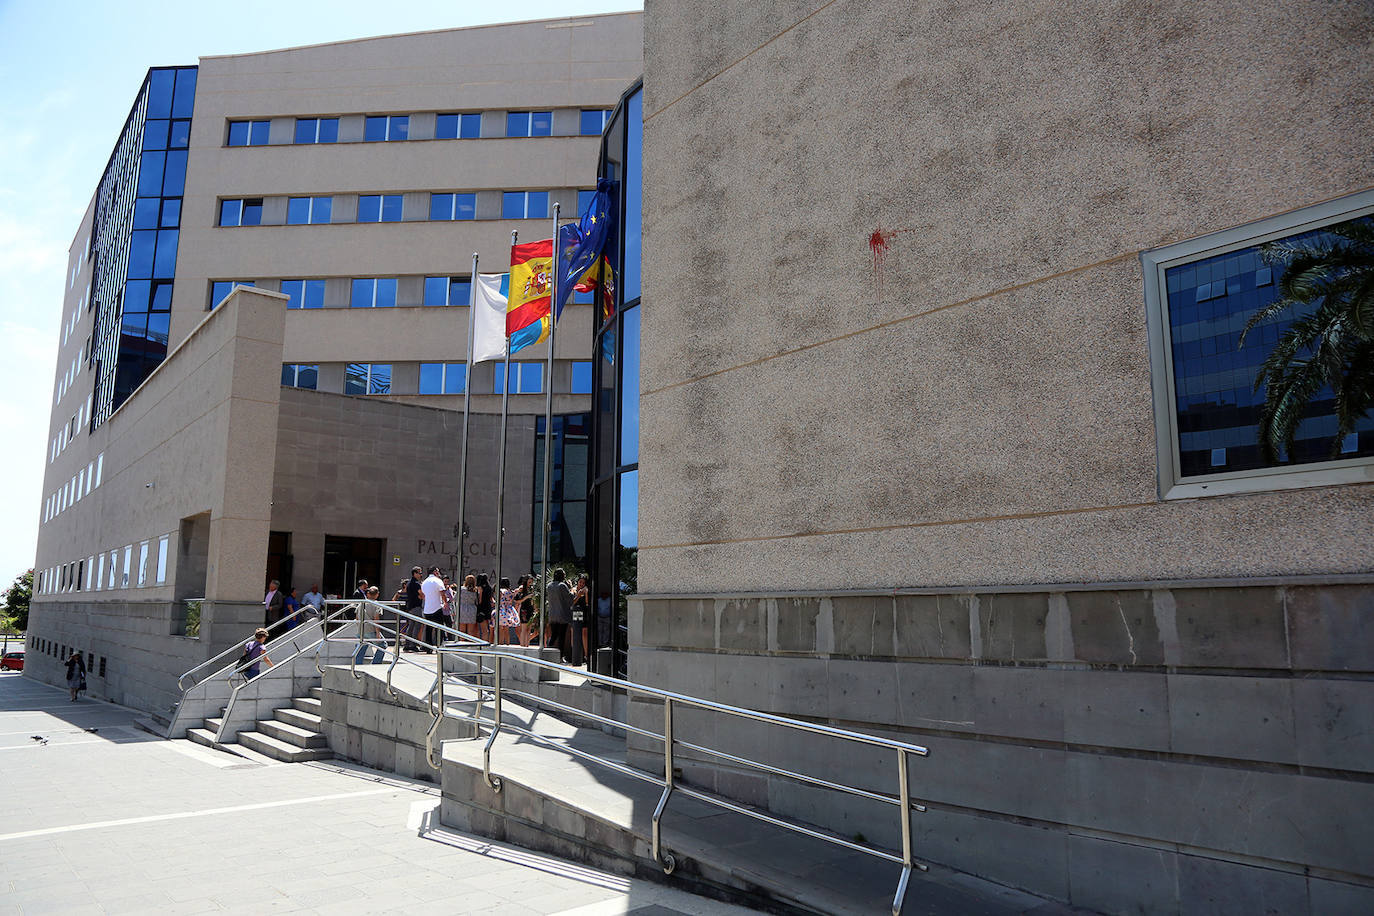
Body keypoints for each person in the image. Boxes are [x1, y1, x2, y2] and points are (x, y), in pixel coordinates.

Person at [545, 568, 574, 663]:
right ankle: (560, 657)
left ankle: (547, 654)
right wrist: (571, 588)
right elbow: (570, 598)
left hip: (552, 615)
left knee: (554, 635)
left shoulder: (549, 586)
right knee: (561, 636)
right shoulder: (562, 585)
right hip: (562, 615)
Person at [420, 566, 445, 649]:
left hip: (427, 609)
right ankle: (439, 646)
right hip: (437, 607)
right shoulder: (438, 581)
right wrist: (445, 602)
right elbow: (442, 592)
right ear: (435, 572)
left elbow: (422, 595)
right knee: (439, 628)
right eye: (438, 571)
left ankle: (428, 647)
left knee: (428, 629)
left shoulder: (424, 582)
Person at [405, 566, 426, 651]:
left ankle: (407, 644)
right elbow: (422, 595)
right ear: (414, 573)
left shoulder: (409, 583)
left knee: (411, 626)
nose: (421, 575)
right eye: (419, 573)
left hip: (410, 607)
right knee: (417, 626)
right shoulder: (416, 584)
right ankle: (413, 645)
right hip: (416, 607)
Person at [572, 575, 590, 665]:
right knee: (575, 633)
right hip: (575, 613)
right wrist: (578, 595)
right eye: (580, 582)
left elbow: (587, 603)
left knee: (584, 633)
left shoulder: (586, 590)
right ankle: (574, 656)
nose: (581, 584)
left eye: (583, 583)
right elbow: (572, 602)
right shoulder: (573, 590)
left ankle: (586, 655)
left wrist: (586, 594)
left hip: (584, 612)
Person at [498, 577, 520, 645]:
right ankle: (507, 643)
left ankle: (500, 643)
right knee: (506, 629)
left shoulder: (501, 591)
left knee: (501, 628)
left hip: (502, 609)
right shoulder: (511, 592)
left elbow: (499, 600)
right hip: (509, 610)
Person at [517, 575, 536, 647]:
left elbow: (533, 600)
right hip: (524, 610)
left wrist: (535, 608)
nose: (530, 584)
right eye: (529, 582)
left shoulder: (532, 589)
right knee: (524, 628)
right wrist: (526, 597)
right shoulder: (522, 589)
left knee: (529, 629)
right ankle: (522, 645)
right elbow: (517, 600)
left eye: (532, 582)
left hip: (531, 609)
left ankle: (527, 644)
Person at [475, 574, 495, 643]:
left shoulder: (480, 588)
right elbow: (491, 599)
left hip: (481, 608)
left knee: (483, 629)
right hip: (488, 608)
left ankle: (483, 643)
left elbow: (480, 600)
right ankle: (487, 642)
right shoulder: (489, 588)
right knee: (487, 628)